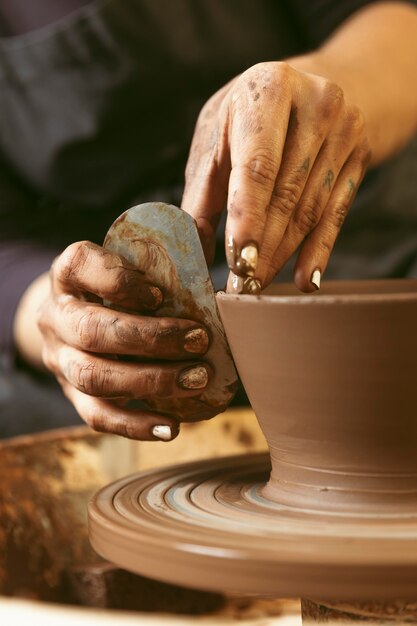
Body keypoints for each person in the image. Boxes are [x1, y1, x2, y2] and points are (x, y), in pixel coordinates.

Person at [1, 0, 417, 439]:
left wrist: (327, 88)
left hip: (356, 256)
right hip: (130, 318)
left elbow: (397, 29)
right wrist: (58, 316)